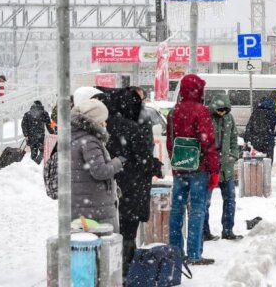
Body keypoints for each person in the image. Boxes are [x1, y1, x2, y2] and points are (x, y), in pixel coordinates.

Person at [98, 87, 160, 276]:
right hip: (133, 186)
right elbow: (144, 157)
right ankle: (125, 272)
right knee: (128, 231)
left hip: (108, 188)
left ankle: (109, 271)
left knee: (110, 232)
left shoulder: (104, 125)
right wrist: (154, 165)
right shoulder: (132, 127)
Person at [167, 74, 220, 265]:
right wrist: (214, 169)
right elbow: (208, 142)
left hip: (180, 167)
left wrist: (177, 162)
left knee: (176, 210)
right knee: (197, 210)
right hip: (200, 168)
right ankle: (194, 254)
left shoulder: (173, 112)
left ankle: (174, 252)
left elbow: (170, 142)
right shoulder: (201, 111)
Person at [70, 99, 124, 232]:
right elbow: (100, 171)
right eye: (102, 120)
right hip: (95, 205)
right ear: (94, 121)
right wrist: (118, 162)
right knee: (102, 247)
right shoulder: (89, 141)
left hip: (82, 202)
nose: (105, 123)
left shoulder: (75, 137)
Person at [203, 93, 242, 241]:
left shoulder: (229, 118)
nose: (222, 112)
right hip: (209, 166)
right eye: (219, 109)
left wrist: (233, 155)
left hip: (227, 166)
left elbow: (233, 137)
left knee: (230, 198)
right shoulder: (206, 118)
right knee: (205, 201)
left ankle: (228, 229)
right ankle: (205, 231)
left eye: (225, 110)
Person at [244, 96, 276, 161]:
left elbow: (249, 126)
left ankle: (257, 170)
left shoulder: (255, 112)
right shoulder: (274, 113)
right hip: (268, 139)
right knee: (268, 159)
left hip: (255, 139)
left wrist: (246, 138)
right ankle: (268, 170)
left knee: (255, 160)